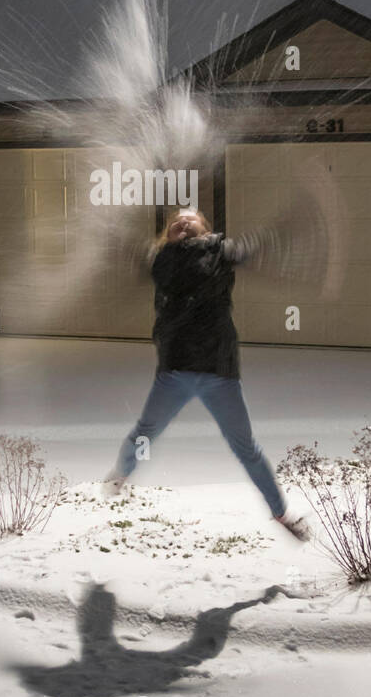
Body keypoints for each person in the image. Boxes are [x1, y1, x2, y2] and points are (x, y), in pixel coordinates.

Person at [106, 207, 311, 542]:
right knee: (145, 434)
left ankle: (280, 512)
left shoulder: (220, 252)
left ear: (205, 228)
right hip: (175, 371)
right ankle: (120, 476)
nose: (182, 222)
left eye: (190, 218)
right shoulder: (162, 259)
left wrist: (292, 219)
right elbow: (130, 249)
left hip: (219, 372)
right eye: (175, 221)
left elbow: (259, 244)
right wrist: (108, 227)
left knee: (245, 447)